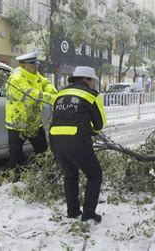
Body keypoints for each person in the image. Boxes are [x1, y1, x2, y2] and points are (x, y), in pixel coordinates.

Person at [49, 66, 106, 223]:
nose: (94, 83)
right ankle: (88, 214)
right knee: (95, 175)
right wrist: (91, 132)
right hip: (77, 142)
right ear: (86, 80)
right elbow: (100, 123)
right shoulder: (91, 96)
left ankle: (73, 211)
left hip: (56, 142)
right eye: (93, 80)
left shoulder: (60, 94)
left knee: (71, 174)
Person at [5, 52, 57, 167]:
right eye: (33, 65)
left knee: (43, 152)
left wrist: (52, 91)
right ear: (24, 65)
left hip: (33, 122)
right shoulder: (16, 78)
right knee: (16, 156)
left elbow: (45, 82)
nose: (36, 67)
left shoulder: (35, 74)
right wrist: (53, 98)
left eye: (36, 64)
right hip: (18, 124)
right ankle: (16, 180)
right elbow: (31, 95)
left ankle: (46, 175)